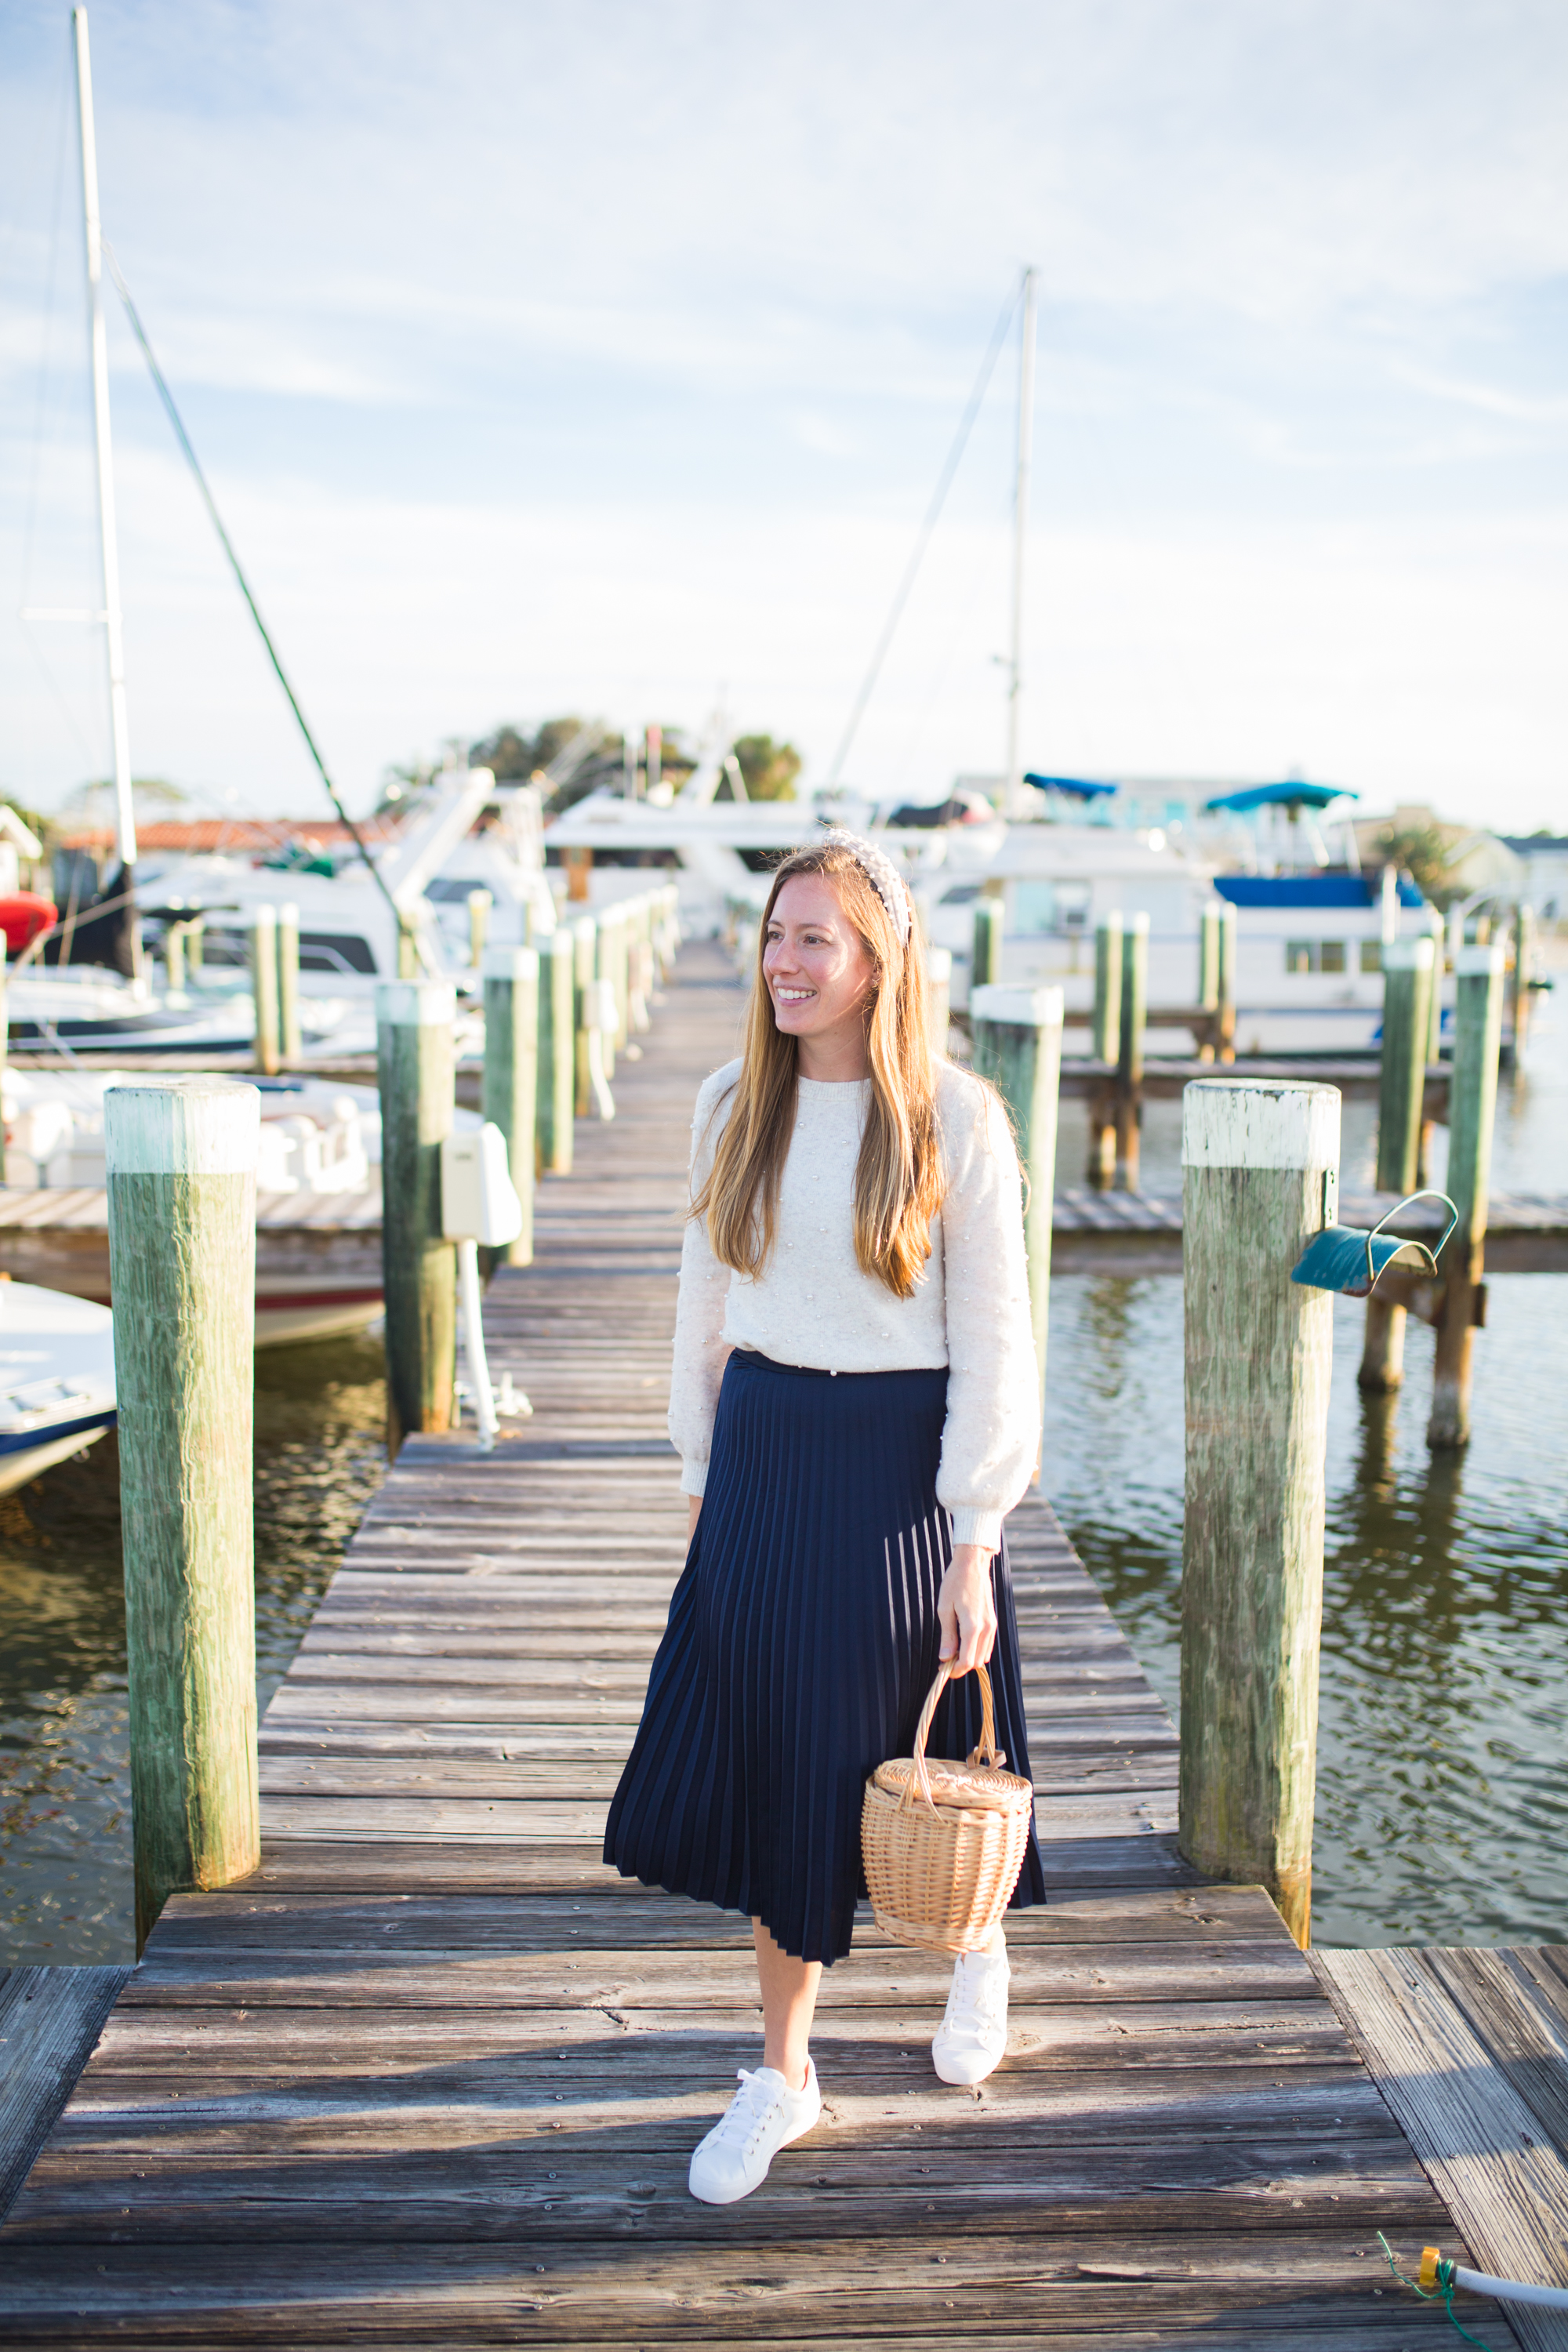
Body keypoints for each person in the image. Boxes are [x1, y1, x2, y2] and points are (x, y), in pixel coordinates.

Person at [603, 829, 1044, 2205]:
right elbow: (703, 1304)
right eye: (776, 935)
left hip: (903, 1462)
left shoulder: (956, 1120)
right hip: (766, 1454)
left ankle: (976, 1951)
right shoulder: (737, 1097)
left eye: (816, 940)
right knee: (782, 1773)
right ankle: (785, 2078)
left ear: (877, 962)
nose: (785, 963)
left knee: (931, 1746)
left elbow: (998, 1340)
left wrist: (975, 1535)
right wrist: (698, 1481)